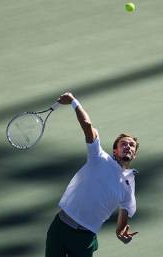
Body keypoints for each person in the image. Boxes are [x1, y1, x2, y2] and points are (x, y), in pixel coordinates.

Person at [45, 92, 139, 257]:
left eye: (132, 146)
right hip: (60, 228)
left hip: (84, 239)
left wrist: (122, 234)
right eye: (124, 144)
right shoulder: (98, 157)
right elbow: (88, 126)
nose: (128, 147)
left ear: (135, 155)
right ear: (115, 150)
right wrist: (73, 101)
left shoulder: (128, 188)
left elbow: (121, 226)